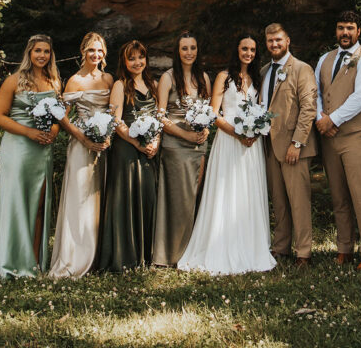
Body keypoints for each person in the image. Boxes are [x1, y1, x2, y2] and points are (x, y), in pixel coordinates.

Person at [178, 32, 276, 275]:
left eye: (253, 50)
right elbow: (213, 113)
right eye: (245, 49)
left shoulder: (257, 77)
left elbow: (259, 109)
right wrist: (237, 133)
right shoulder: (223, 76)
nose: (249, 54)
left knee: (247, 192)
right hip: (229, 140)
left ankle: (250, 245)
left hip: (250, 145)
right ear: (237, 50)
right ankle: (220, 245)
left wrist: (255, 130)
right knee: (226, 191)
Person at [0, 35, 61, 278]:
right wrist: (29, 131)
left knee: (38, 204)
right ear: (29, 53)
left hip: (42, 150)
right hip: (18, 147)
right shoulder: (13, 81)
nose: (42, 55)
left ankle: (35, 260)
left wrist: (52, 133)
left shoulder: (54, 81)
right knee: (16, 203)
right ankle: (12, 258)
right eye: (38, 50)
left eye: (46, 51)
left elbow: (59, 116)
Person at [315, 10, 361, 272]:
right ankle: (344, 248)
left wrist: (333, 119)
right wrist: (322, 117)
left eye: (350, 28)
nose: (345, 32)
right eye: (341, 27)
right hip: (329, 137)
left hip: (357, 137)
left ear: (358, 31)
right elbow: (317, 91)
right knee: (339, 196)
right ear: (336, 31)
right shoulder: (325, 59)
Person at [49, 31, 114, 278]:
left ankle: (97, 257)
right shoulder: (75, 81)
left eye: (100, 51)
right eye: (91, 50)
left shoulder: (108, 79)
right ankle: (75, 257)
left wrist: (107, 136)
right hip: (81, 145)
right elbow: (62, 115)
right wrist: (84, 138)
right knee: (80, 200)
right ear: (83, 52)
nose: (95, 55)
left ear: (104, 54)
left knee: (99, 200)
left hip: (104, 147)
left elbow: (113, 111)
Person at [98, 40, 160, 271]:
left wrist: (155, 142)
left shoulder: (153, 85)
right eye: (131, 58)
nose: (137, 62)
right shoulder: (120, 85)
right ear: (124, 62)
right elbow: (116, 122)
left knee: (148, 197)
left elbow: (159, 118)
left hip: (149, 150)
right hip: (127, 150)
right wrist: (137, 143)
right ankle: (125, 256)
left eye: (140, 57)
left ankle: (146, 254)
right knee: (127, 197)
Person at [259, 22, 318, 267]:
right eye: (271, 41)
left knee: (299, 201)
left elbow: (308, 108)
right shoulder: (263, 71)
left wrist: (297, 143)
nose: (275, 44)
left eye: (279, 40)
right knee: (279, 201)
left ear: (288, 41)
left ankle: (303, 252)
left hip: (294, 147)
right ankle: (281, 247)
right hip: (269, 146)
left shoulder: (302, 69)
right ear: (266, 43)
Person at [153, 30, 211, 267]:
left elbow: (209, 110)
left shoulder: (204, 78)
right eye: (185, 48)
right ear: (178, 51)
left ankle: (191, 250)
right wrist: (185, 134)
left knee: (194, 197)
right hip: (175, 144)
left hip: (198, 144)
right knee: (177, 198)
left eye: (193, 48)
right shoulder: (168, 77)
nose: (189, 52)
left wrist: (206, 128)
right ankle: (171, 254)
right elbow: (160, 116)